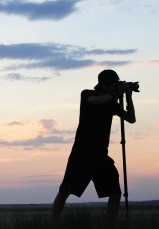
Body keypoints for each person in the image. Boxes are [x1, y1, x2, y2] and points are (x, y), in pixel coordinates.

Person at [52, 69, 136, 219]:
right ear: (102, 84)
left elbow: (131, 118)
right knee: (65, 190)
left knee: (115, 193)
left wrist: (128, 97)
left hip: (100, 156)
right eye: (111, 85)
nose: (113, 87)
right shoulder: (87, 94)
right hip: (81, 154)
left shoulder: (111, 102)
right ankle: (52, 224)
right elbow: (96, 101)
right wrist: (115, 94)